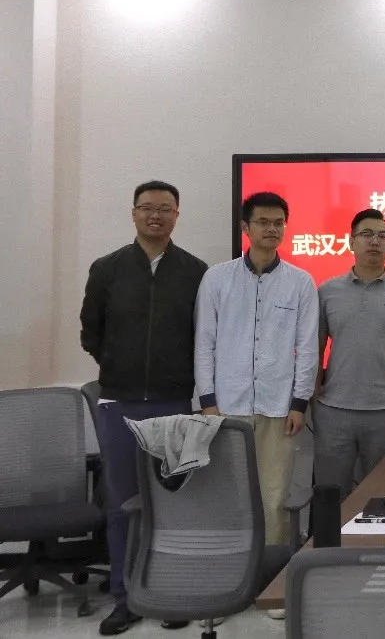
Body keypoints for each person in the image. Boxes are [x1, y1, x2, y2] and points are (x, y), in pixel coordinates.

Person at [80, 180, 206, 635]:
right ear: (133, 213)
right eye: (147, 208)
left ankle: (171, 593)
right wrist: (122, 367)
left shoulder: (195, 272)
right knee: (122, 504)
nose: (156, 215)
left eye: (165, 209)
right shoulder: (107, 269)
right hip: (120, 402)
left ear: (177, 216)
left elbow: (202, 336)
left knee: (174, 502)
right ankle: (126, 597)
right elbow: (90, 332)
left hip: (174, 402)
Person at [195, 191, 318, 546]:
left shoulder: (301, 282)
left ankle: (272, 568)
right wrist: (208, 402)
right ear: (245, 227)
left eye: (279, 223)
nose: (272, 229)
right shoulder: (217, 279)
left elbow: (308, 348)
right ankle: (231, 562)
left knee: (274, 495)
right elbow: (204, 343)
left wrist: (299, 403)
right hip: (225, 407)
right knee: (228, 492)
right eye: (263, 222)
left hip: (278, 408)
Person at [314, 208, 385, 499]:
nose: (375, 241)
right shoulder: (327, 291)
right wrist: (314, 398)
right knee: (331, 498)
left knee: (383, 498)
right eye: (366, 234)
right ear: (351, 242)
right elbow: (315, 348)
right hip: (334, 413)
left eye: (382, 236)